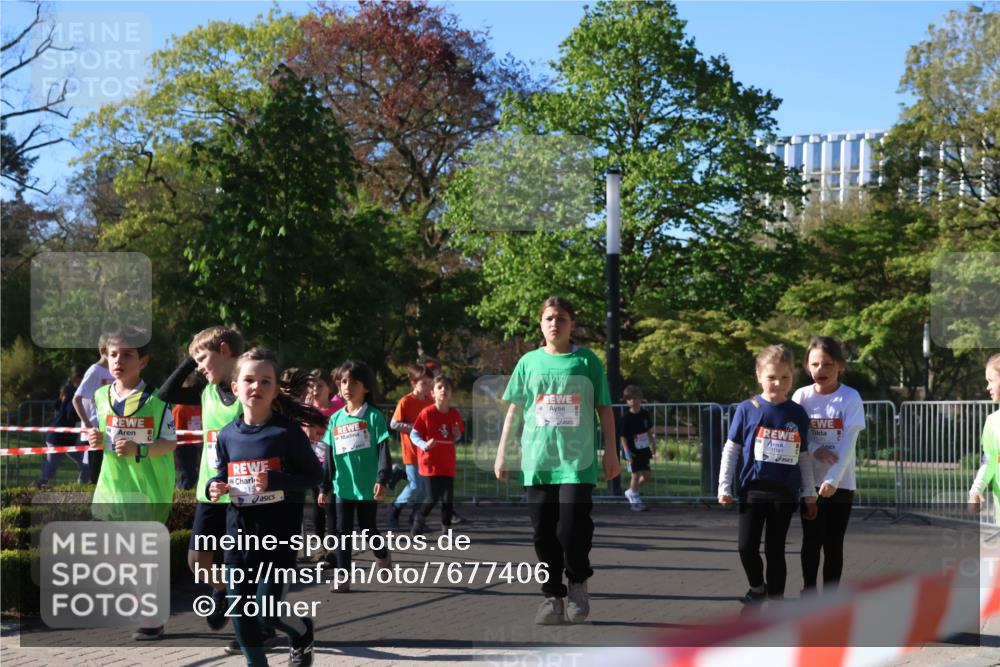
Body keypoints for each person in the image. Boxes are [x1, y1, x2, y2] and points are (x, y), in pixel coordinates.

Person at [495, 296, 619, 625]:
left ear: (571, 325)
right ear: (541, 324)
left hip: (577, 464)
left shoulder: (587, 361)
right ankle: (553, 598)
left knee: (572, 529)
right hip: (538, 461)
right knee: (543, 534)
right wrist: (501, 450)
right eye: (549, 318)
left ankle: (577, 582)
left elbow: (604, 410)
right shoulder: (529, 362)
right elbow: (514, 410)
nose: (555, 323)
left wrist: (611, 451)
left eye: (561, 318)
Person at [158, 326, 275, 653]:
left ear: (225, 350)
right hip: (209, 491)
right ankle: (222, 591)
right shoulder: (205, 392)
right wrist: (191, 357)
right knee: (197, 561)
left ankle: (253, 630)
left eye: (203, 358)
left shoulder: (249, 391)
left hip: (244, 494)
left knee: (247, 568)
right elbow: (163, 395)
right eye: (194, 361)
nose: (198, 367)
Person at [207, 348, 324, 667]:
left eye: (264, 381)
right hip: (238, 536)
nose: (255, 386)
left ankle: (300, 632)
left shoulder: (286, 434)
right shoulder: (227, 435)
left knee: (267, 611)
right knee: (239, 609)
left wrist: (278, 480)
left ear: (274, 390)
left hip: (278, 538)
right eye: (248, 379)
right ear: (235, 387)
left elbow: (315, 474)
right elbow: (220, 475)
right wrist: (214, 486)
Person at [86, 326, 177, 640]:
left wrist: (140, 449)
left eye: (127, 354)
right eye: (113, 354)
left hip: (146, 488)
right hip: (111, 485)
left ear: (144, 361)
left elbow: (170, 443)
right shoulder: (100, 396)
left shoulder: (157, 400)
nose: (118, 360)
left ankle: (152, 619)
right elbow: (105, 438)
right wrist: (96, 439)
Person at [718, 344, 815, 611]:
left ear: (792, 378)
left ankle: (776, 602)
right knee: (746, 547)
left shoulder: (796, 413)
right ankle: (757, 587)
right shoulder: (747, 409)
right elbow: (732, 448)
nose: (778, 383)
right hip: (752, 490)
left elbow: (803, 456)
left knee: (776, 551)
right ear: (759, 375)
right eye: (772, 377)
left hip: (784, 493)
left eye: (785, 378)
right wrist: (724, 485)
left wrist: (809, 493)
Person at [793, 336, 865, 593]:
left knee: (833, 544)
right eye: (815, 364)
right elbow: (796, 434)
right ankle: (809, 594)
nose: (820, 370)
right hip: (809, 483)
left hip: (840, 484)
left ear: (840, 366)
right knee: (811, 542)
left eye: (827, 364)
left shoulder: (850, 397)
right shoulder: (801, 396)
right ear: (806, 366)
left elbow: (849, 441)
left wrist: (833, 478)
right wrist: (815, 449)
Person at [318, 360, 392, 591]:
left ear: (366, 387)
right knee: (342, 532)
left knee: (368, 529)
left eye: (354, 382)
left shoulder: (374, 417)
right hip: (343, 488)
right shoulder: (336, 419)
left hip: (368, 486)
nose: (347, 386)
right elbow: (329, 455)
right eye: (343, 381)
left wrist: (382, 479)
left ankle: (382, 555)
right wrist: (324, 487)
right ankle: (343, 576)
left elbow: (383, 451)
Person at [410, 374, 465, 534]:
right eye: (439, 387)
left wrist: (456, 434)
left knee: (448, 500)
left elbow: (458, 435)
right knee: (432, 498)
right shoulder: (427, 413)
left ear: (451, 393)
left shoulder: (454, 414)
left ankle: (446, 531)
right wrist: (424, 445)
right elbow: (414, 435)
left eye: (447, 388)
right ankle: (418, 519)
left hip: (447, 462)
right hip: (430, 462)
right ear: (432, 393)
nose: (443, 390)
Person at [388, 363, 434, 531]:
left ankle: (416, 518)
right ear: (414, 383)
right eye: (424, 383)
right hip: (412, 451)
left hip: (427, 452)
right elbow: (394, 424)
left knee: (424, 488)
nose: (428, 387)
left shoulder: (431, 401)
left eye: (430, 383)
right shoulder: (406, 401)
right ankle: (395, 509)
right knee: (415, 486)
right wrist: (413, 427)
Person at [36, 364, 87, 486]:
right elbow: (70, 414)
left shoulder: (68, 390)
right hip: (58, 438)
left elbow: (56, 405)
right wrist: (84, 415)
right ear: (80, 379)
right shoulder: (76, 394)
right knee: (49, 472)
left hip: (67, 438)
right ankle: (33, 492)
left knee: (86, 465)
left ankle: (81, 489)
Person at [73, 334, 114, 483]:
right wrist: (89, 426)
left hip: (112, 428)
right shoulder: (94, 371)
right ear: (103, 351)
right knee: (97, 476)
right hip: (96, 430)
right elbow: (76, 399)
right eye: (114, 352)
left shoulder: (114, 371)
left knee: (109, 474)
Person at [968, 353, 1000, 522]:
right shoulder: (992, 422)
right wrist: (975, 490)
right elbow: (989, 461)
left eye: (991, 380)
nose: (987, 387)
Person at [619, 385, 655, 511]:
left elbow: (649, 430)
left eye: (635, 398)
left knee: (646, 475)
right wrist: (626, 451)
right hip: (632, 450)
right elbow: (622, 436)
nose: (632, 401)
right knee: (636, 473)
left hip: (644, 448)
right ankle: (634, 502)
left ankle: (632, 491)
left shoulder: (645, 414)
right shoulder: (626, 418)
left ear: (640, 399)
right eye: (629, 399)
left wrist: (653, 443)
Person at [172, 374, 204, 490]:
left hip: (198, 445)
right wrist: (174, 454)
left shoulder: (201, 407)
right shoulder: (180, 408)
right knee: (188, 475)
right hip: (184, 447)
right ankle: (181, 496)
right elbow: (175, 431)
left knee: (196, 475)